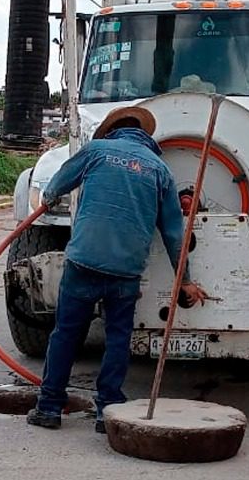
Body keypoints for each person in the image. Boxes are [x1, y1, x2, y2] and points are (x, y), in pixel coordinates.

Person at [26, 105, 208, 433]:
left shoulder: (96, 151)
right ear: (146, 136)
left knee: (66, 333)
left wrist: (50, 199)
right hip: (125, 271)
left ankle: (49, 407)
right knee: (118, 338)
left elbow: (55, 187)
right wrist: (186, 282)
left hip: (83, 262)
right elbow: (173, 234)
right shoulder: (160, 170)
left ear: (112, 132)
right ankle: (106, 410)